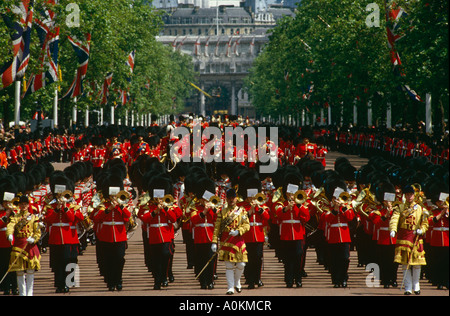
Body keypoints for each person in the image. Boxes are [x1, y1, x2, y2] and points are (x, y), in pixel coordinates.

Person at [92, 174, 131, 291]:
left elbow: (127, 217)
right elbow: (95, 217)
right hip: (106, 236)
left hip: (119, 236)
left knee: (119, 259)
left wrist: (120, 207)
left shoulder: (123, 205)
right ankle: (110, 281)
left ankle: (118, 280)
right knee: (108, 260)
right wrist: (108, 209)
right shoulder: (103, 205)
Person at [389, 185, 429, 295]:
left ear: (414, 195)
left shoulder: (420, 208)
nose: (409, 196)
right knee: (405, 263)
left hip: (416, 236)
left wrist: (422, 229)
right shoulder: (400, 207)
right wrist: (393, 229)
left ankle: (416, 285)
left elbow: (425, 222)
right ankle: (408, 287)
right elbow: (394, 219)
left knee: (416, 263)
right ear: (404, 196)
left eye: (411, 194)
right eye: (407, 194)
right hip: (404, 236)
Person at [212, 189, 250, 295]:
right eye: (229, 198)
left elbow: (247, 225)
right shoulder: (222, 212)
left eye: (233, 198)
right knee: (228, 266)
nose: (231, 200)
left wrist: (239, 231)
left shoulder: (242, 211)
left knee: (241, 264)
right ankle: (230, 287)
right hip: (226, 241)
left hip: (238, 240)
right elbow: (217, 228)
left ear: (236, 198)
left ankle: (237, 281)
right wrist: (214, 242)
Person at [6, 195, 41, 296]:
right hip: (18, 245)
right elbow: (11, 226)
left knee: (30, 271)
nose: (23, 206)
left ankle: (29, 293)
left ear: (27, 205)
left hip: (30, 245)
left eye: (25, 204)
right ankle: (22, 293)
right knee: (19, 271)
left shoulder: (33, 217)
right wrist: (9, 235)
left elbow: (37, 231)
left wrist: (34, 238)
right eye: (22, 204)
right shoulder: (15, 217)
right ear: (19, 205)